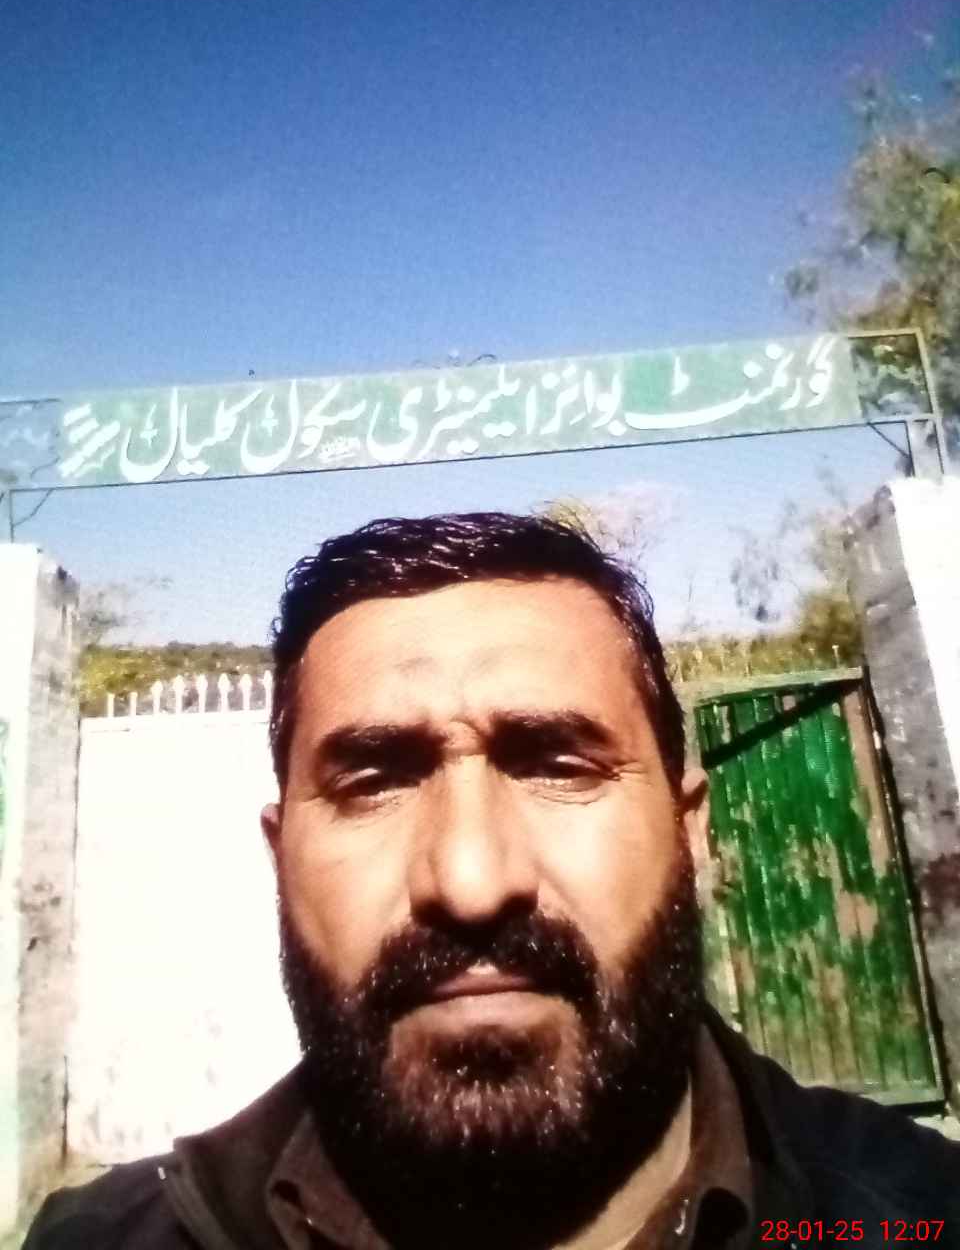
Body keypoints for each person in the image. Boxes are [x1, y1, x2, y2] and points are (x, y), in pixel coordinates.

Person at [25, 513, 960, 1250]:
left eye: (558, 764)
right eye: (373, 782)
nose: (471, 882)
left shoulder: (919, 1212)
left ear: (690, 829)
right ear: (281, 857)